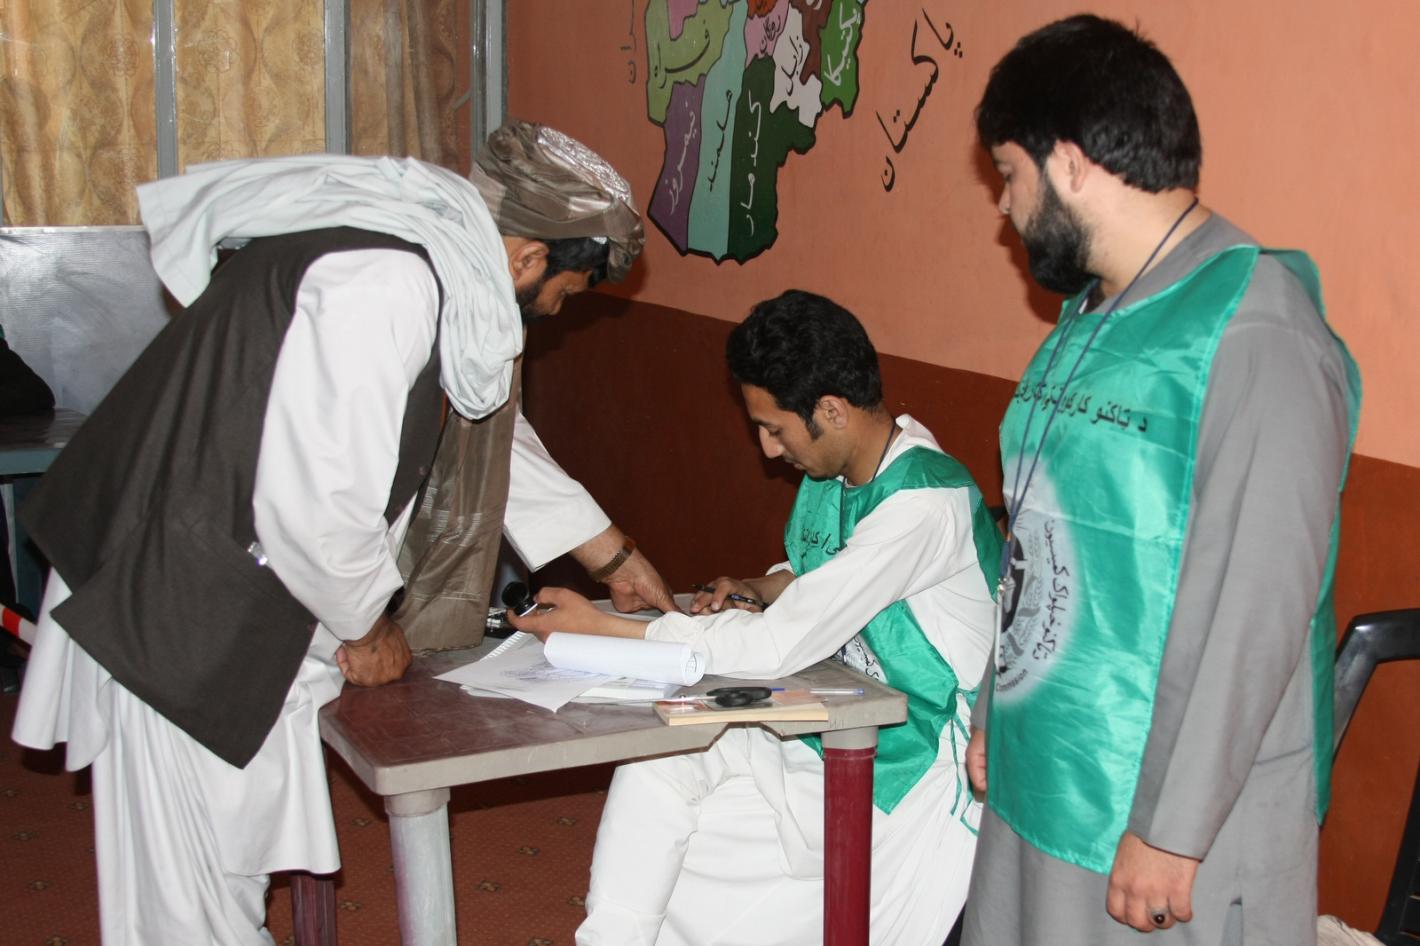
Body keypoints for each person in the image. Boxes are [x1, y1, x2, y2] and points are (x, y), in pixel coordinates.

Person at [10, 120, 671, 944]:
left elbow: (488, 426)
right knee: (189, 898)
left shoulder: (433, 263)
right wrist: (368, 625)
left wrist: (612, 554)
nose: (558, 312)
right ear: (528, 258)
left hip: (221, 580)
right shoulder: (386, 282)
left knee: (224, 867)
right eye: (567, 293)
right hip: (179, 595)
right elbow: (313, 502)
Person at [963, 15, 1360, 946]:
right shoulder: (1090, 317)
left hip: (1158, 817)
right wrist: (994, 706)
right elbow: (1040, 537)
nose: (1005, 208)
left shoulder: (1255, 331)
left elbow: (1257, 605)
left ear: (1069, 163)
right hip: (1047, 770)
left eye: (1009, 175)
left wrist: (1174, 831)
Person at [511, 289, 1002, 946]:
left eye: (775, 429)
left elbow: (775, 644)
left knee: (713, 884)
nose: (769, 451)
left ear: (831, 411)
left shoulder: (924, 504)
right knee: (662, 753)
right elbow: (821, 575)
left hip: (902, 763)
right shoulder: (841, 470)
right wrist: (760, 586)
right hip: (825, 710)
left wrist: (604, 630)